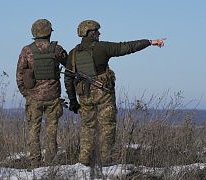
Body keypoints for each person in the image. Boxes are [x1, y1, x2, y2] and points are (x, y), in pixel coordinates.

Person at [64, 20, 165, 166]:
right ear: (91, 33)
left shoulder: (73, 54)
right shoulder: (102, 48)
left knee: (87, 128)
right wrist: (149, 42)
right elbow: (127, 47)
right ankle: (105, 163)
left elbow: (68, 78)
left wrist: (73, 100)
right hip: (104, 95)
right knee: (107, 127)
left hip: (84, 97)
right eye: (97, 31)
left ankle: (83, 164)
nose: (99, 33)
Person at [16, 19, 67, 168]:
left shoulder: (27, 50)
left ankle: (35, 163)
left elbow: (19, 75)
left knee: (33, 131)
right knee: (52, 131)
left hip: (33, 98)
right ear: (49, 32)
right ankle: (50, 162)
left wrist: (26, 94)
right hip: (53, 97)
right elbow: (70, 65)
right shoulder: (57, 49)